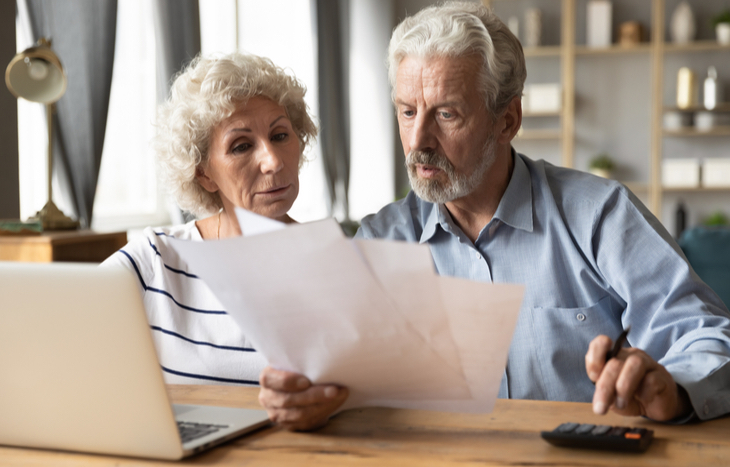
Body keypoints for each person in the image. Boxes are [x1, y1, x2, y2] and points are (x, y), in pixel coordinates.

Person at [262, 1, 730, 427]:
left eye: (446, 114)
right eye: (407, 112)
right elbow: (337, 369)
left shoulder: (600, 216)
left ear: (507, 120)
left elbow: (706, 335)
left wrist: (671, 388)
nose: (418, 140)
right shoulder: (380, 240)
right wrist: (311, 395)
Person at [101, 52, 348, 429]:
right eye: (241, 146)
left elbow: (370, 392)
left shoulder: (339, 262)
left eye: (280, 136)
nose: (273, 161)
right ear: (204, 175)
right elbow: (54, 333)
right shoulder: (156, 261)